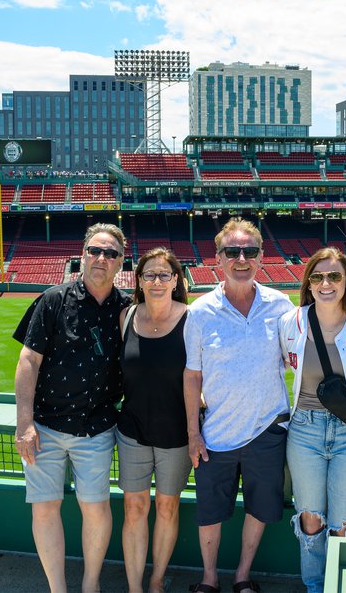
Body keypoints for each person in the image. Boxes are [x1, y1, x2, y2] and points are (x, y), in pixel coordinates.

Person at [13, 222, 131, 593]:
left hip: (97, 428)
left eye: (110, 253)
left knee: (95, 508)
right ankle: (57, 589)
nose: (101, 258)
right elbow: (27, 361)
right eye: (94, 251)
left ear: (121, 262)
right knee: (44, 508)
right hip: (44, 427)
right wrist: (24, 424)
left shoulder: (128, 309)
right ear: (82, 256)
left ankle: (91, 584)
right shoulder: (54, 299)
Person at [184, 217, 294, 593]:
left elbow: (300, 356)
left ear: (262, 257)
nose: (241, 258)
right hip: (216, 433)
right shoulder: (199, 311)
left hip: (266, 429)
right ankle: (210, 577)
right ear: (218, 259)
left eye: (250, 251)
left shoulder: (280, 305)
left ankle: (243, 575)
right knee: (210, 512)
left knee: (260, 509)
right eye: (233, 251)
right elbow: (192, 377)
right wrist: (193, 434)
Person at [278, 248, 346, 593]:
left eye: (334, 276)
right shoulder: (291, 321)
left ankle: (339, 586)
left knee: (344, 523)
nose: (326, 283)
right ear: (308, 283)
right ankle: (314, 586)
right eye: (317, 277)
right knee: (311, 519)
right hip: (305, 428)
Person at [117, 248, 191, 593]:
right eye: (150, 274)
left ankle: (157, 580)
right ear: (140, 280)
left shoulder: (193, 319)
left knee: (166, 506)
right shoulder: (127, 316)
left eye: (164, 274)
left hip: (176, 432)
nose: (157, 281)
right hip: (132, 430)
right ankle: (134, 587)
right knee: (134, 507)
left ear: (176, 280)